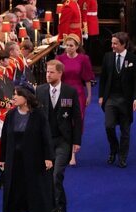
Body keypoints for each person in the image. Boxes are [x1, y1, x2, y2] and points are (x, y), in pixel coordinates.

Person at [0, 82, 54, 212]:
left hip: (33, 161)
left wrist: (48, 157)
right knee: (15, 194)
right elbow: (5, 139)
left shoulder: (38, 115)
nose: (13, 97)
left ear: (26, 97)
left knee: (36, 192)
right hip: (14, 161)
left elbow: (46, 137)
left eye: (17, 94)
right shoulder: (10, 115)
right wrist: (2, 159)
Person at [36, 59, 82, 212]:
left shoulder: (70, 92)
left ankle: (54, 209)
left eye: (51, 72)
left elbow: (77, 118)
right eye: (47, 72)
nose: (48, 75)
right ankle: (60, 203)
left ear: (60, 73)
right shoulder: (40, 91)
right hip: (45, 142)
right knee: (49, 177)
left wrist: (76, 141)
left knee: (57, 175)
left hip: (63, 140)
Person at [99, 32, 136, 168]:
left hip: (126, 100)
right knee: (109, 126)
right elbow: (103, 78)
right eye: (112, 43)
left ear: (123, 44)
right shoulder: (108, 57)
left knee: (125, 131)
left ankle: (122, 157)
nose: (112, 46)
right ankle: (114, 148)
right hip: (111, 98)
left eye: (115, 43)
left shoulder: (133, 58)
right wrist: (100, 96)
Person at [56, 33, 95, 165]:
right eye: (66, 45)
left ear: (77, 46)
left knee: (76, 120)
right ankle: (65, 150)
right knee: (66, 120)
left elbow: (87, 78)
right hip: (64, 93)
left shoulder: (83, 59)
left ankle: (73, 153)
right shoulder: (60, 58)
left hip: (78, 93)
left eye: (71, 45)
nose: (68, 48)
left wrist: (89, 95)